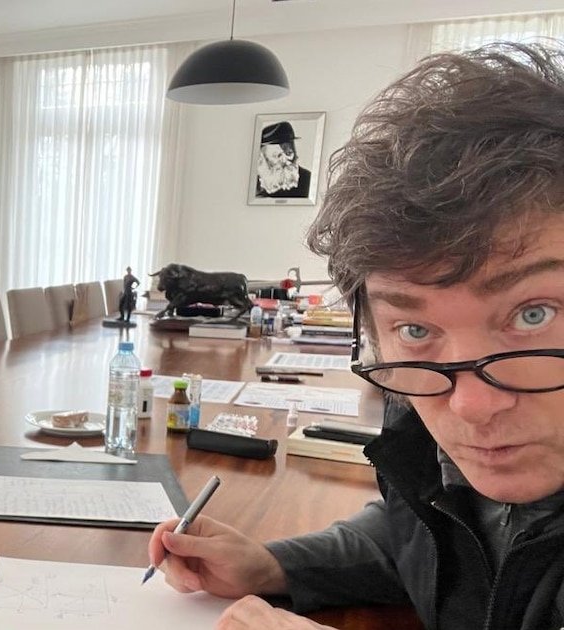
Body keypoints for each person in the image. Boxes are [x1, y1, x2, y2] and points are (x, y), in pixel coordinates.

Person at [149, 42, 564, 629]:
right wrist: (274, 565)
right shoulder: (417, 405)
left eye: (534, 314)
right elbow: (422, 535)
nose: (470, 405)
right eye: (415, 329)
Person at [255, 121, 312, 199]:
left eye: (289, 153)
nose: (285, 160)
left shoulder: (308, 180)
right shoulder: (252, 186)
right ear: (264, 159)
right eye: (277, 155)